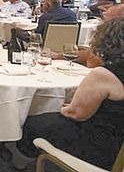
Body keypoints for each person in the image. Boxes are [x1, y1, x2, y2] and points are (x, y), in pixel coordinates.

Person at [12, 17, 124, 170]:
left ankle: (19, 162)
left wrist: (61, 107)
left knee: (31, 123)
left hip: (101, 149)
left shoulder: (104, 74)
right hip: (117, 143)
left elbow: (76, 114)